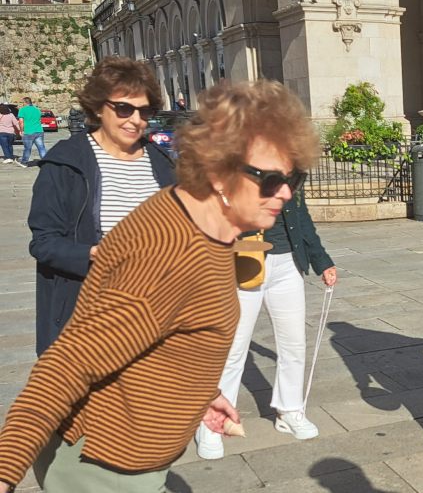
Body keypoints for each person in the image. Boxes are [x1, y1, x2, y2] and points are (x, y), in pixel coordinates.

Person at [0, 79, 319, 493]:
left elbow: (165, 333)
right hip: (102, 463)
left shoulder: (209, 225)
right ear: (218, 170)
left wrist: (198, 395)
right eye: (269, 178)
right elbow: (67, 365)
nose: (284, 194)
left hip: (132, 450)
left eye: (293, 180)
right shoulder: (169, 253)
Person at [27, 56, 176, 356]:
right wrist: (94, 254)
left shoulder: (161, 162)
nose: (136, 120)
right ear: (97, 107)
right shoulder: (66, 162)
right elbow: (44, 243)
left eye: (145, 111)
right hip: (90, 318)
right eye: (124, 108)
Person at [195, 177, 338, 459]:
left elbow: (301, 215)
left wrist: (321, 259)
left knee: (293, 344)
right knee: (233, 348)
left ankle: (289, 410)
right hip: (244, 260)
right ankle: (212, 421)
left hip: (288, 264)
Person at [17, 96, 45, 167]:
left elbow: (21, 122)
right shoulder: (37, 110)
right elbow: (39, 120)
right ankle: (46, 162)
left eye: (22, 102)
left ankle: (24, 162)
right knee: (41, 147)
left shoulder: (22, 110)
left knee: (27, 148)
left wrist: (21, 131)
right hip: (39, 130)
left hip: (28, 132)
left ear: (25, 102)